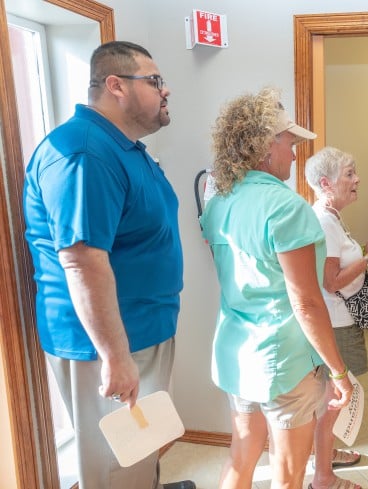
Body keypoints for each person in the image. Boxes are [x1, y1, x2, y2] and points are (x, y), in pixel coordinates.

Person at [23, 41, 194, 489]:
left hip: (142, 329)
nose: (166, 90)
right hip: (107, 344)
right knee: (118, 465)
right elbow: (81, 262)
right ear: (115, 85)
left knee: (140, 454)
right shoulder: (85, 154)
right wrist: (114, 357)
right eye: (155, 81)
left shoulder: (123, 147)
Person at [200, 88, 354, 489]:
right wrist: (339, 372)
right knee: (287, 474)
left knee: (241, 456)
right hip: (283, 361)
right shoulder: (286, 207)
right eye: (289, 142)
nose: (294, 153)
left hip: (238, 355)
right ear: (266, 145)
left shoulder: (218, 203)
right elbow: (306, 303)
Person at [305, 147, 368, 489]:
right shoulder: (324, 221)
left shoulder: (331, 216)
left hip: (338, 321)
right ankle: (323, 477)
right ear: (326, 183)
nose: (357, 180)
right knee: (336, 400)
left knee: (331, 398)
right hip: (335, 325)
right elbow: (331, 281)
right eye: (349, 174)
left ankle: (326, 455)